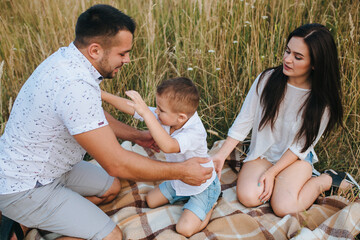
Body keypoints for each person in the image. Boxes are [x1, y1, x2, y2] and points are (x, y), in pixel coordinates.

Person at [0, 4, 213, 240]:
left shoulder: (70, 60)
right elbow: (116, 164)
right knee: (111, 236)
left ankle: (35, 218)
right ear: (95, 50)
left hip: (54, 168)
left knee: (112, 188)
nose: (128, 59)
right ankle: (25, 214)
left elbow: (93, 114)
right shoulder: (74, 85)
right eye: (122, 53)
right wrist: (181, 171)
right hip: (27, 186)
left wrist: (137, 136)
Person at [211, 23, 360, 217]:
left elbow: (301, 145)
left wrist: (272, 173)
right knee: (248, 197)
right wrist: (222, 154)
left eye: (298, 57)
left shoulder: (322, 101)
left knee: (285, 208)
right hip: (263, 154)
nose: (287, 59)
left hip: (296, 158)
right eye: (287, 51)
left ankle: (324, 181)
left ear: (315, 64)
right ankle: (284, 180)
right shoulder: (267, 79)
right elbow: (244, 120)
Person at [101, 77, 221, 237]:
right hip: (180, 178)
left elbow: (169, 146)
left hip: (202, 184)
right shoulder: (169, 116)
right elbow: (135, 109)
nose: (156, 112)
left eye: (160, 110)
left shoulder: (194, 132)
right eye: (156, 108)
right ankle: (185, 197)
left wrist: (146, 113)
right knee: (151, 200)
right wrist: (102, 95)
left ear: (182, 118)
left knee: (184, 229)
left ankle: (210, 203)